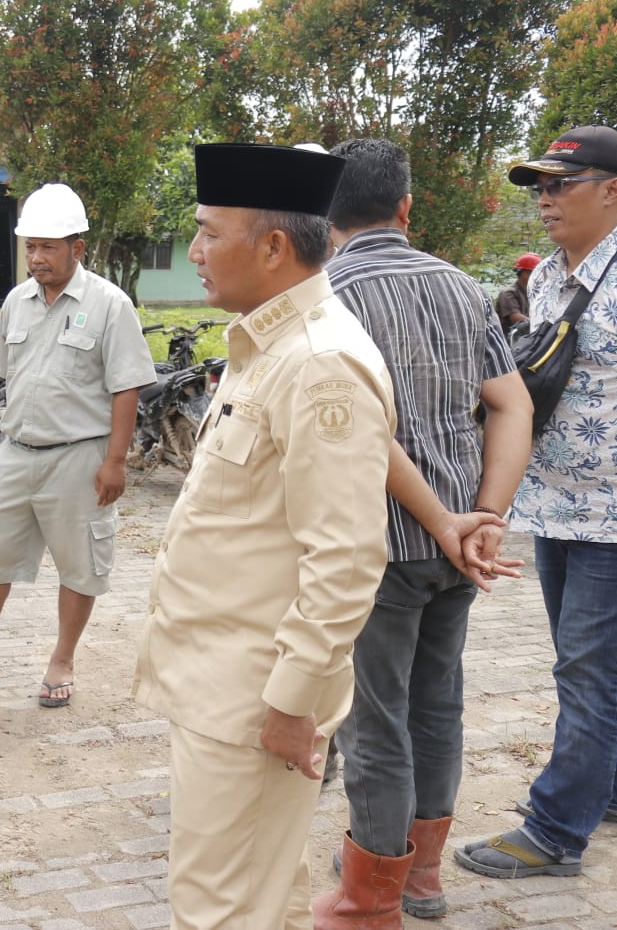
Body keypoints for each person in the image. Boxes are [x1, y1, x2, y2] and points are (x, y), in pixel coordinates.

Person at [132, 143, 397, 929]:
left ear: (274, 246)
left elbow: (347, 559)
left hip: (254, 697)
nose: (196, 252)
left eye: (211, 233)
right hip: (221, 680)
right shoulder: (266, 342)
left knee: (216, 909)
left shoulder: (318, 364)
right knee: (261, 896)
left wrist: (290, 703)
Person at [310, 138, 533, 926]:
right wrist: (485, 520)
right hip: (460, 542)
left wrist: (448, 524)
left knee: (375, 717)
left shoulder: (325, 294)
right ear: (406, 208)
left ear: (326, 215)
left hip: (378, 541)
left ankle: (373, 891)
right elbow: (512, 405)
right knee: (438, 702)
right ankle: (426, 872)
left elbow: (360, 432)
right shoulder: (463, 289)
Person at [456, 124, 617, 880]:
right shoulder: (554, 274)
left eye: (563, 183)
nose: (546, 199)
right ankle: (615, 787)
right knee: (594, 665)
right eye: (540, 186)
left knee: (588, 675)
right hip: (554, 504)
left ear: (613, 190)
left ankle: (555, 831)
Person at [0, 182, 155, 706]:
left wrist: (115, 462)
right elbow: (15, 377)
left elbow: (128, 386)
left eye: (48, 247)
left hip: (80, 457)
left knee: (80, 563)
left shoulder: (109, 305)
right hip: (16, 452)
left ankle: (62, 660)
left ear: (77, 248)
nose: (36, 257)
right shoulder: (17, 302)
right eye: (30, 246)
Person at [495, 252, 539, 335]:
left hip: (526, 337)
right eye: (533, 272)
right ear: (522, 273)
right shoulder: (508, 293)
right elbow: (516, 318)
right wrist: (540, 324)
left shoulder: (534, 293)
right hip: (508, 340)